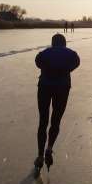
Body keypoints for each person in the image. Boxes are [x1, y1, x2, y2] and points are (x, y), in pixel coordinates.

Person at [34, 33, 80, 173]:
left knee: (43, 121)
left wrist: (48, 70)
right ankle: (49, 148)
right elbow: (76, 63)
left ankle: (40, 155)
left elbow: (38, 62)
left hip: (44, 87)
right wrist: (65, 70)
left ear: (53, 43)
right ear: (64, 43)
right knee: (56, 120)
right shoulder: (72, 54)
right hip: (62, 88)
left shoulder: (44, 53)